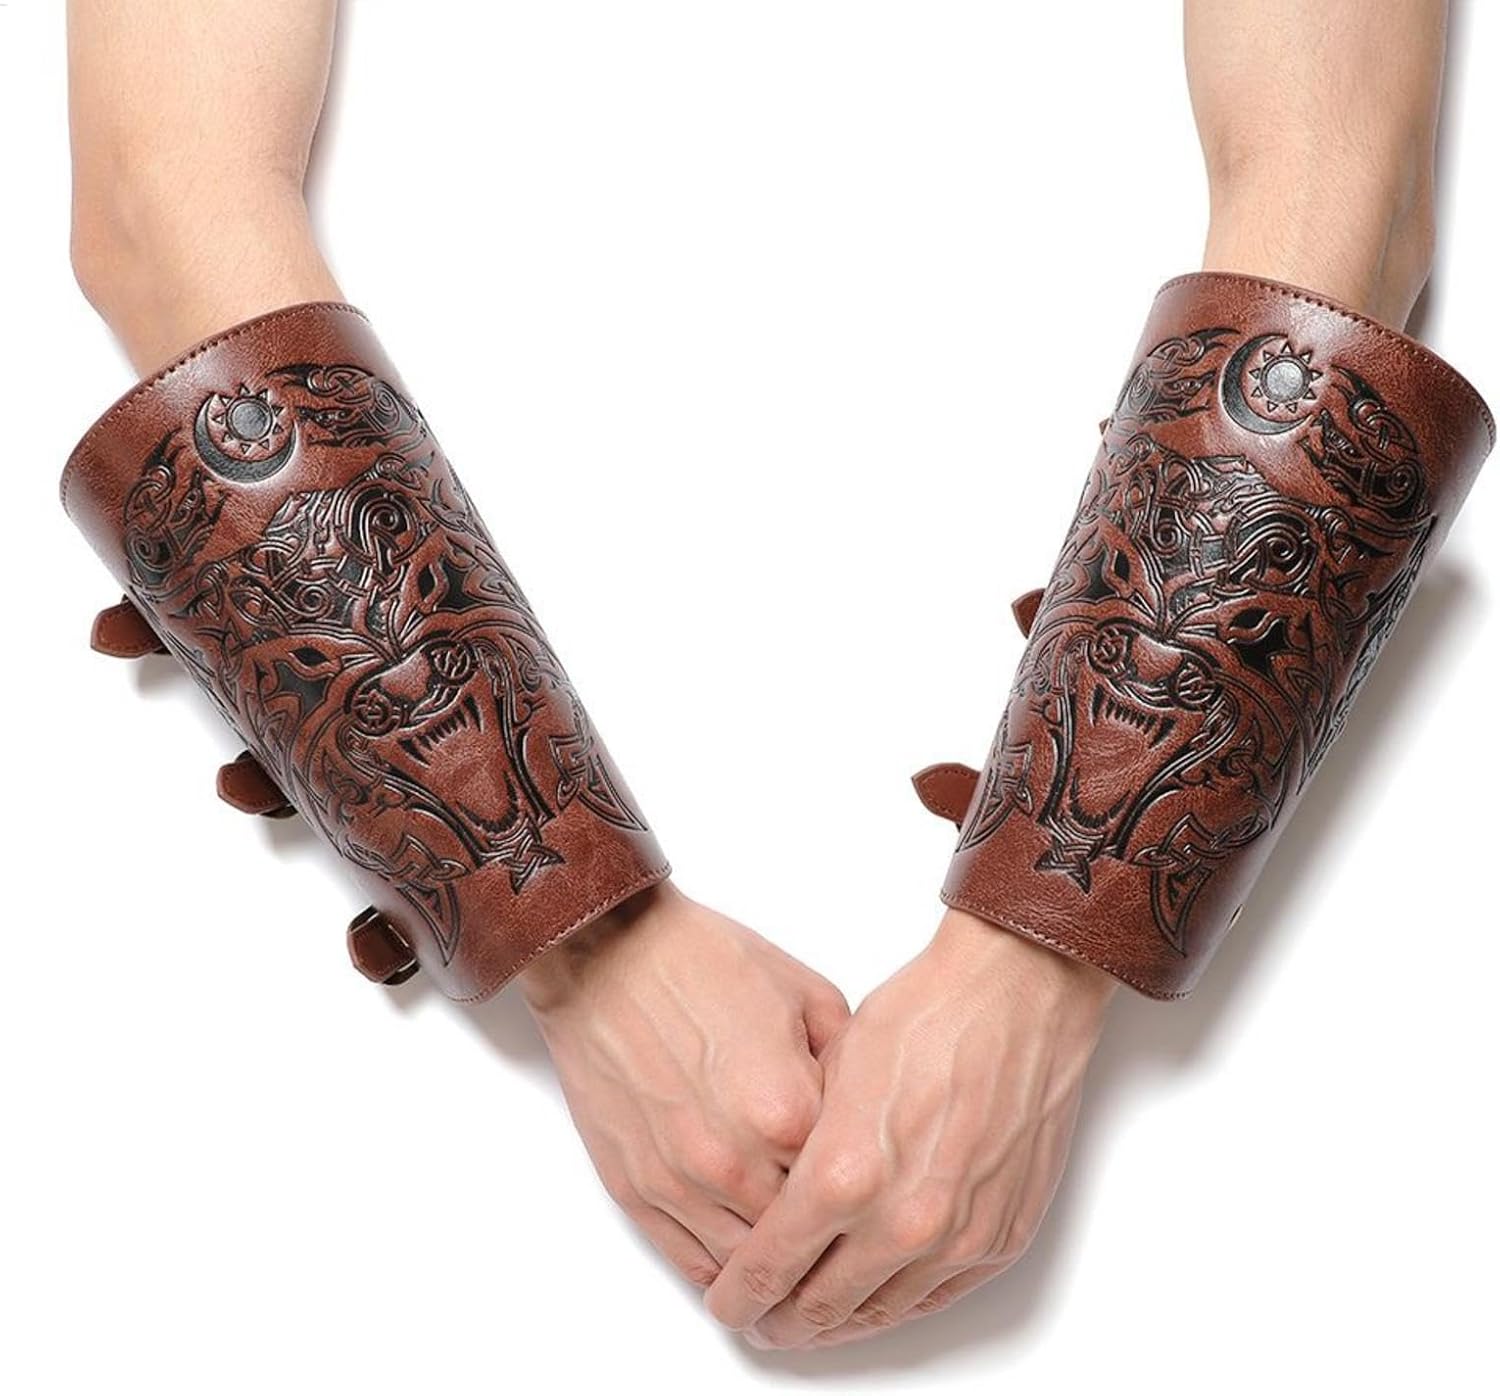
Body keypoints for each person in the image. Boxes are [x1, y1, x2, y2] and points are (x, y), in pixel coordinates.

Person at [65, 0, 1462, 1351]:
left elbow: (1346, 188)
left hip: (1242, 1069)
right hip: (375, 1086)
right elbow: (155, 202)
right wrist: (582, 939)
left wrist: (1040, 953)